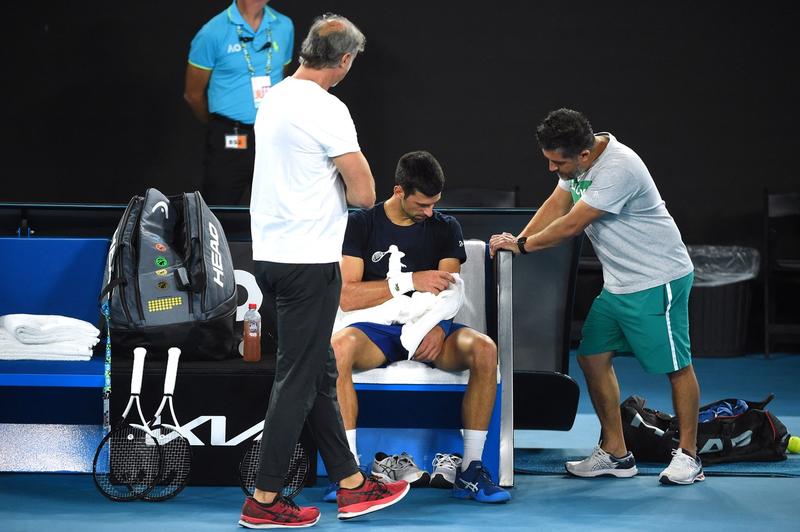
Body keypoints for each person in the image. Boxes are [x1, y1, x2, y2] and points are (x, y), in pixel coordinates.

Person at [239, 14, 409, 529]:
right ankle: (265, 500)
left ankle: (351, 483)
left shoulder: (274, 99)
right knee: (296, 379)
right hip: (309, 262)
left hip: (269, 255)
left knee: (317, 374)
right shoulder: (328, 108)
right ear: (344, 60)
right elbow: (364, 194)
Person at [489, 108, 704, 486]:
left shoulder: (619, 168)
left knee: (676, 367)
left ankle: (689, 456)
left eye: (557, 162)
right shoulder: (578, 163)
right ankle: (617, 455)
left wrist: (521, 248)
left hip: (658, 280)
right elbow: (557, 205)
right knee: (591, 358)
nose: (552, 168)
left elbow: (571, 224)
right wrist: (516, 242)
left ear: (583, 155)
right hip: (619, 283)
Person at [328, 150, 511, 504]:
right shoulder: (361, 224)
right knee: (337, 350)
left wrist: (439, 326)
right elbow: (348, 297)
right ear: (399, 191)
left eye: (434, 204)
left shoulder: (446, 226)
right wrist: (411, 279)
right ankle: (348, 472)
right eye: (422, 205)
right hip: (376, 330)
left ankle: (471, 469)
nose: (430, 212)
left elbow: (450, 292)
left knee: (485, 349)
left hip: (431, 330)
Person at [184, 0, 294, 205]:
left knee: (276, 209)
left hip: (273, 136)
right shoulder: (212, 32)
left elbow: (282, 76)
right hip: (230, 136)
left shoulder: (284, 26)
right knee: (220, 211)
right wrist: (218, 124)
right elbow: (193, 94)